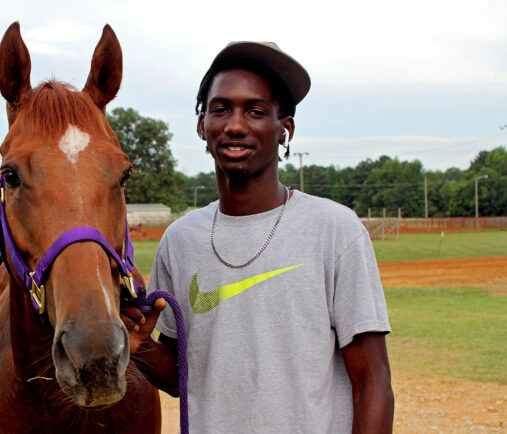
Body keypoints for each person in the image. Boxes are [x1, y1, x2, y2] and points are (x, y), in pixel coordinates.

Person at [123, 42, 394, 433]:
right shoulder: (180, 241)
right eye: (220, 109)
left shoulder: (335, 230)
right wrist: (139, 345)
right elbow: (180, 377)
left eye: (255, 111)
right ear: (202, 126)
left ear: (285, 129)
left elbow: (373, 384)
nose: (235, 125)